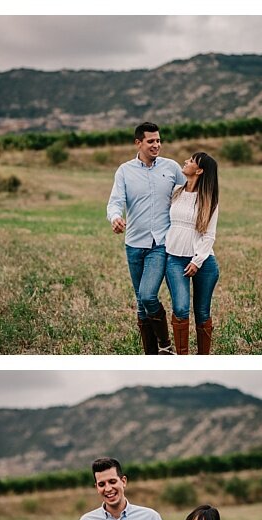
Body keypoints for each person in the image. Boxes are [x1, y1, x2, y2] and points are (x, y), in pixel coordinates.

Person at [107, 122, 187, 355]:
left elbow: (190, 195)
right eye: (151, 141)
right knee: (141, 305)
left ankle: (165, 345)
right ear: (138, 143)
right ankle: (152, 355)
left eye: (158, 140)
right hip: (133, 244)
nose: (156, 145)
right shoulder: (124, 171)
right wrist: (115, 217)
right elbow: (116, 201)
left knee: (147, 295)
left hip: (160, 244)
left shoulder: (172, 168)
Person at [163, 152, 222, 355]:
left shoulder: (209, 201)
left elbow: (209, 236)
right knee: (180, 308)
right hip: (175, 260)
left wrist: (197, 261)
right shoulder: (177, 192)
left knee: (202, 312)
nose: (186, 161)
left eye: (191, 161)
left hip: (203, 263)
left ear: (199, 170)